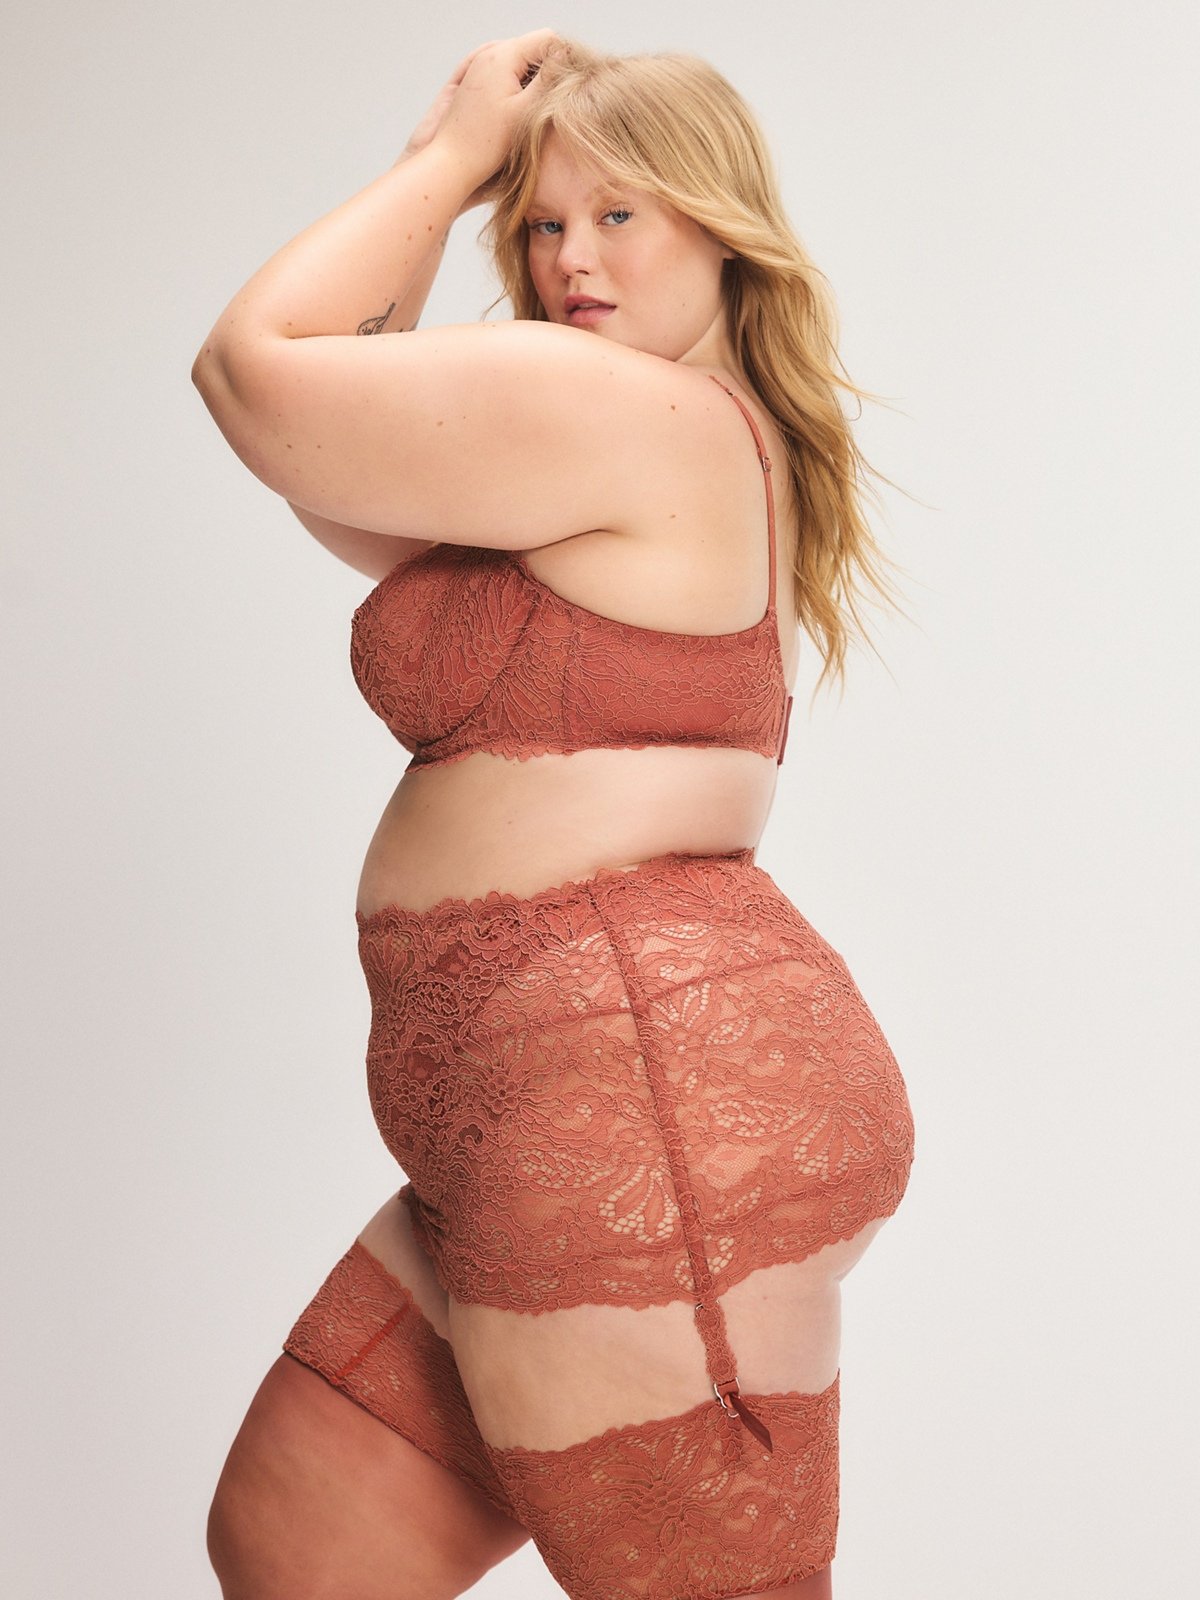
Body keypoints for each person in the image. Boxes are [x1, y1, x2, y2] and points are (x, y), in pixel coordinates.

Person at [192, 30, 916, 1600]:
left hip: (642, 1101)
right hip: (534, 1109)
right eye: (538, 223)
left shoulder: (632, 413)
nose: (571, 259)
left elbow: (255, 371)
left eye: (620, 215)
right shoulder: (623, 436)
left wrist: (453, 154)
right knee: (298, 1548)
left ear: (721, 223)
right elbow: (326, 446)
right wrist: (459, 179)